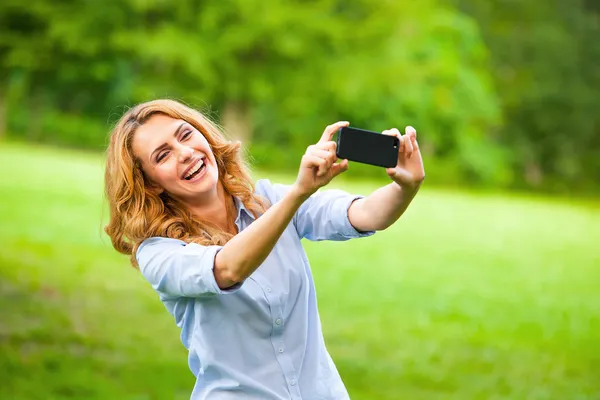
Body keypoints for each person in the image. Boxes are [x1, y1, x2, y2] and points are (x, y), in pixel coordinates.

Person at [104, 99, 425, 400]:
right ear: (151, 183)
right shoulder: (159, 252)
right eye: (163, 155)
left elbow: (365, 214)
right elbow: (227, 269)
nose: (185, 153)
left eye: (186, 135)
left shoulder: (269, 200)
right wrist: (298, 193)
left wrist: (405, 187)